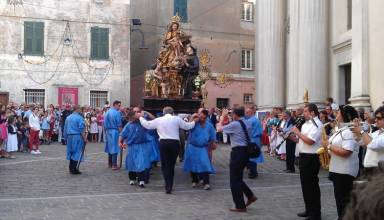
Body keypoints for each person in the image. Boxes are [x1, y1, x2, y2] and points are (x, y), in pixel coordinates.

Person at [139, 106, 197, 194]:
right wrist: (194, 122)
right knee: (171, 164)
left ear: (163, 112)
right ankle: (170, 183)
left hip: (163, 143)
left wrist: (140, 117)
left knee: (165, 164)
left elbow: (148, 125)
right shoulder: (176, 119)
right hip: (174, 143)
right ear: (172, 112)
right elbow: (187, 126)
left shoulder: (159, 120)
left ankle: (168, 184)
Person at [216, 107, 257, 213]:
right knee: (238, 178)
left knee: (234, 180)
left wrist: (223, 117)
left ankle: (240, 205)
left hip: (237, 152)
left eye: (232, 114)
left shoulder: (235, 124)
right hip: (246, 152)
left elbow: (219, 129)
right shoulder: (247, 123)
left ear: (235, 115)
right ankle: (250, 196)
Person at [323, 105, 359, 220]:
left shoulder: (348, 131)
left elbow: (346, 152)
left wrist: (328, 145)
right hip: (338, 169)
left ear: (345, 116)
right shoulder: (342, 130)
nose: (336, 115)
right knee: (340, 199)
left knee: (343, 200)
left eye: (338, 113)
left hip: (344, 170)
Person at [291, 103, 323, 220]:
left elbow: (310, 141)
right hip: (303, 156)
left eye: (305, 111)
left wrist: (297, 132)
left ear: (312, 113)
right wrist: (292, 137)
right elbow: (301, 141)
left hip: (312, 158)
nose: (303, 113)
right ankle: (309, 209)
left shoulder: (317, 124)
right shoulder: (305, 124)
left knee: (312, 186)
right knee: (305, 186)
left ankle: (316, 213)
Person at [183, 109, 216, 190]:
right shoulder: (194, 124)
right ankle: (194, 180)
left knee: (205, 164)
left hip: (203, 148)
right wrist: (193, 118)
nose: (202, 119)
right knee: (193, 163)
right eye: (200, 117)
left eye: (204, 118)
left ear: (206, 118)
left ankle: (206, 183)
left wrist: (211, 146)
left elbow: (212, 137)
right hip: (192, 147)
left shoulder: (209, 125)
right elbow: (187, 127)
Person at [119, 108, 152, 188]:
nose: (132, 119)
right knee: (132, 163)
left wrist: (144, 113)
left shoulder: (143, 123)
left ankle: (141, 180)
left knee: (141, 163)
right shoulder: (129, 125)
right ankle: (132, 179)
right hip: (132, 146)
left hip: (142, 146)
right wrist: (119, 142)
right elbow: (122, 134)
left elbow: (153, 120)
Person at [352, 105, 384, 179]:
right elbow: (362, 142)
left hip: (379, 171)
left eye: (379, 118)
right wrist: (356, 130)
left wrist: (361, 131)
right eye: (375, 118)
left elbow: (372, 145)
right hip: (370, 170)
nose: (375, 120)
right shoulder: (377, 133)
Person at [64, 105, 87, 175]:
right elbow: (81, 129)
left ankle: (71, 168)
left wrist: (65, 138)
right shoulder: (80, 118)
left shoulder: (68, 117)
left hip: (69, 136)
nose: (81, 110)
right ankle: (74, 169)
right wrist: (84, 138)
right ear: (77, 109)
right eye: (80, 109)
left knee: (71, 152)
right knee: (77, 152)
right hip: (77, 136)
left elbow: (65, 129)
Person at [244, 107, 264, 179]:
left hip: (252, 140)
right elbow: (261, 132)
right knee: (254, 155)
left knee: (252, 156)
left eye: (246, 112)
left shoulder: (250, 120)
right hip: (256, 139)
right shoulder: (256, 120)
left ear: (250, 113)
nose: (245, 114)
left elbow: (247, 131)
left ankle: (253, 172)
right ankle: (252, 171)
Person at [104, 101, 123, 170]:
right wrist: (121, 134)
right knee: (114, 147)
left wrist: (105, 132)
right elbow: (119, 125)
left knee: (110, 147)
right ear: (114, 105)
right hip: (115, 131)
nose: (119, 107)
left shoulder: (107, 112)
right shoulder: (117, 113)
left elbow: (104, 123)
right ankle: (114, 165)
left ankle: (110, 163)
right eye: (119, 105)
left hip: (108, 131)